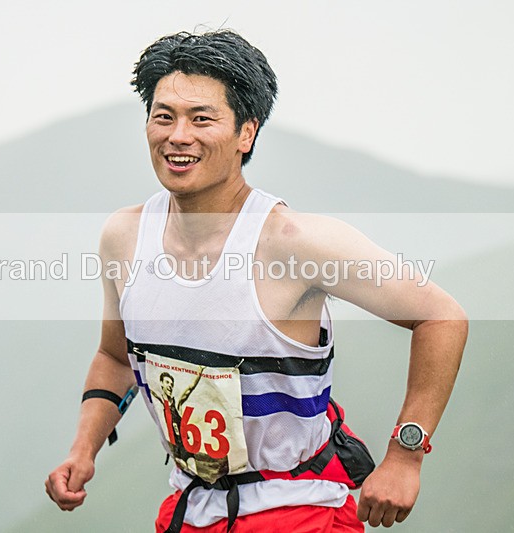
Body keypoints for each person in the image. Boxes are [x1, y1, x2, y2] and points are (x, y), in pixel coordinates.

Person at [45, 30, 468, 532]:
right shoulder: (125, 236)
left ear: (246, 133)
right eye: (164, 116)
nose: (178, 135)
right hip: (190, 509)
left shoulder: (295, 242)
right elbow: (116, 358)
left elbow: (441, 317)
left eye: (202, 119)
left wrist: (405, 456)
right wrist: (84, 449)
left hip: (301, 508)